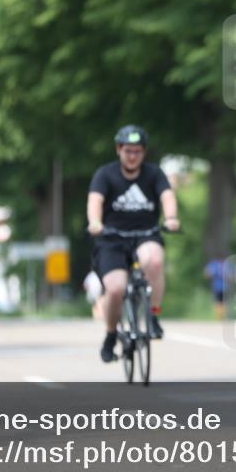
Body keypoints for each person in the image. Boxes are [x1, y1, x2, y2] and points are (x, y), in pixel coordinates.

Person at [88, 125, 180, 362]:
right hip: (111, 239)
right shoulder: (105, 174)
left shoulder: (154, 174)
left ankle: (153, 315)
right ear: (119, 149)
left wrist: (170, 218)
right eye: (128, 151)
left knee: (155, 260)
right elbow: (95, 201)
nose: (132, 156)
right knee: (116, 288)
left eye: (137, 151)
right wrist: (95, 222)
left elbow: (167, 196)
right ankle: (110, 335)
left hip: (145, 234)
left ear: (144, 152)